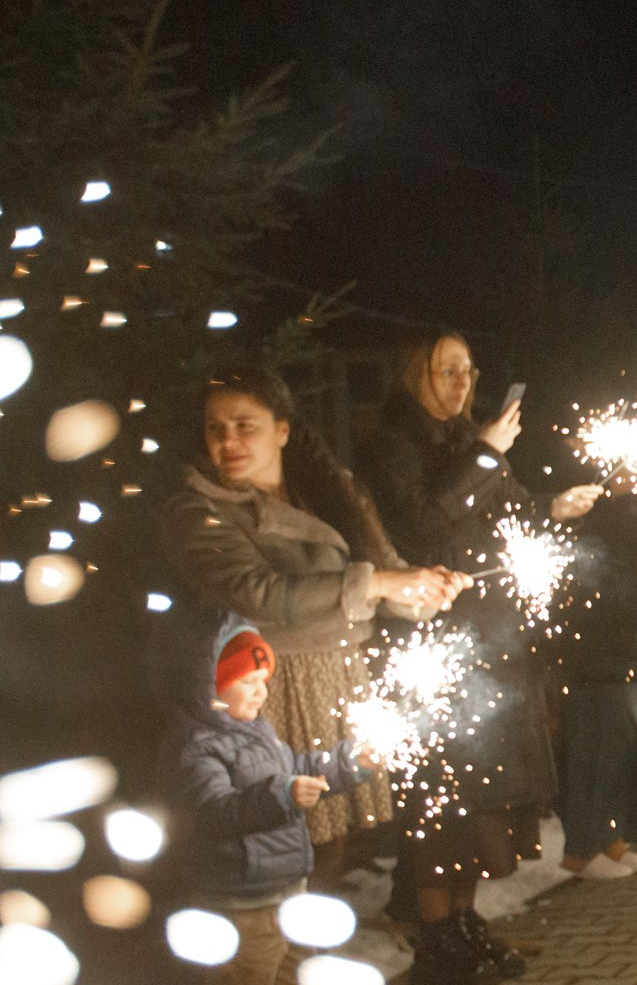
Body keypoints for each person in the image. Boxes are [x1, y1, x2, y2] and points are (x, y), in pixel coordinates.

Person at [359, 331, 602, 985]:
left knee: (484, 800)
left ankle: (465, 923)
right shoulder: (394, 442)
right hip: (437, 645)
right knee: (444, 801)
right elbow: (427, 526)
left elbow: (503, 511)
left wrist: (552, 506)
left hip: (492, 644)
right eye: (446, 370)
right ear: (417, 374)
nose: (461, 382)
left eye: (468, 369)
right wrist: (488, 452)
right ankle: (436, 938)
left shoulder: (466, 440)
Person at [164, 371, 458, 898]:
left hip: (335, 672)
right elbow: (260, 593)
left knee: (328, 840)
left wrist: (416, 592)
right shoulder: (197, 510)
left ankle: (303, 961)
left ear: (282, 430)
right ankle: (276, 963)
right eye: (216, 428)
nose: (227, 442)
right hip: (271, 686)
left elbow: (363, 581)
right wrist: (383, 582)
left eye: (245, 426)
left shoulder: (320, 494)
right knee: (280, 840)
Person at [154, 612, 372, 985]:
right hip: (240, 899)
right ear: (212, 686)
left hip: (285, 887)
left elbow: (294, 769)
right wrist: (279, 796)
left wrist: (345, 765)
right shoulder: (196, 747)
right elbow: (215, 812)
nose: (261, 691)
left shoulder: (257, 732)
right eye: (248, 683)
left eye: (263, 681)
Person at [554, 478, 637, 879]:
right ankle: (582, 850)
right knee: (597, 746)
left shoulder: (633, 503)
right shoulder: (589, 504)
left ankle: (613, 841)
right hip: (597, 642)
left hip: (628, 633)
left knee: (625, 744)